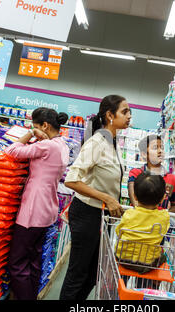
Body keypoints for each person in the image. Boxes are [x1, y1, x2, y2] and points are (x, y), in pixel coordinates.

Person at [59, 94, 132, 300]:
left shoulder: (112, 142)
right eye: (124, 111)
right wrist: (106, 198)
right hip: (86, 213)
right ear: (110, 115)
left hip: (101, 215)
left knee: (92, 274)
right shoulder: (97, 142)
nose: (129, 116)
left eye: (129, 112)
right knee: (78, 273)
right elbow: (71, 180)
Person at [4, 107, 70, 300]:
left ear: (45, 126)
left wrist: (31, 133)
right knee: (34, 260)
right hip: (48, 207)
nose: (34, 130)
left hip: (33, 209)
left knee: (17, 263)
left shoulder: (48, 146)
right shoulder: (61, 145)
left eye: (35, 126)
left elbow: (12, 150)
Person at [116, 172, 170, 288]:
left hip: (123, 259)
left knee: (121, 276)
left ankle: (121, 287)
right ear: (162, 199)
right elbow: (162, 234)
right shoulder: (164, 217)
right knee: (163, 256)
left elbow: (118, 231)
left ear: (135, 196)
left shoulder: (129, 214)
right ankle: (145, 288)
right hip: (147, 263)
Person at [128, 134, 175, 213]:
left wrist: (163, 215)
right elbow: (133, 199)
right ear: (144, 154)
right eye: (155, 148)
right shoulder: (136, 173)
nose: (160, 151)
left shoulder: (173, 179)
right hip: (138, 221)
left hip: (158, 224)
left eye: (162, 148)